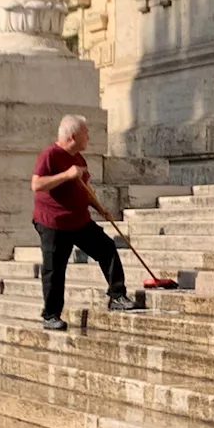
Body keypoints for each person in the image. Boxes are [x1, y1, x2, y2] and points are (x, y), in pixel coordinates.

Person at [31, 115, 136, 331]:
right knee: (54, 269)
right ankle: (50, 315)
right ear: (73, 136)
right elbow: (37, 184)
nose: (88, 136)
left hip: (78, 220)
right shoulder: (50, 154)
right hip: (53, 222)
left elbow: (85, 191)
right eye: (86, 133)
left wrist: (100, 208)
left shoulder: (79, 159)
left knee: (106, 248)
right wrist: (66, 175)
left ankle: (117, 296)